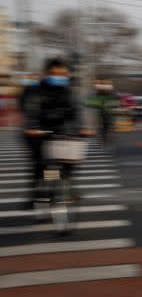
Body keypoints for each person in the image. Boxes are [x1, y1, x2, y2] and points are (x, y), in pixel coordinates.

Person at [21, 58, 89, 208]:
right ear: (46, 74)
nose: (58, 76)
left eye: (62, 73)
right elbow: (31, 111)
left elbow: (77, 110)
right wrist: (32, 127)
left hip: (61, 129)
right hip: (38, 130)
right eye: (54, 73)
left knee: (70, 158)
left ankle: (66, 186)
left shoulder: (69, 91)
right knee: (42, 163)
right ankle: (36, 193)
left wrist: (83, 127)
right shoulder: (35, 90)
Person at [86, 79, 119, 148]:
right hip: (105, 113)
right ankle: (105, 140)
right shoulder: (107, 94)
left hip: (105, 113)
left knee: (104, 127)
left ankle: (105, 140)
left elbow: (92, 102)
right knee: (105, 127)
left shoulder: (106, 94)